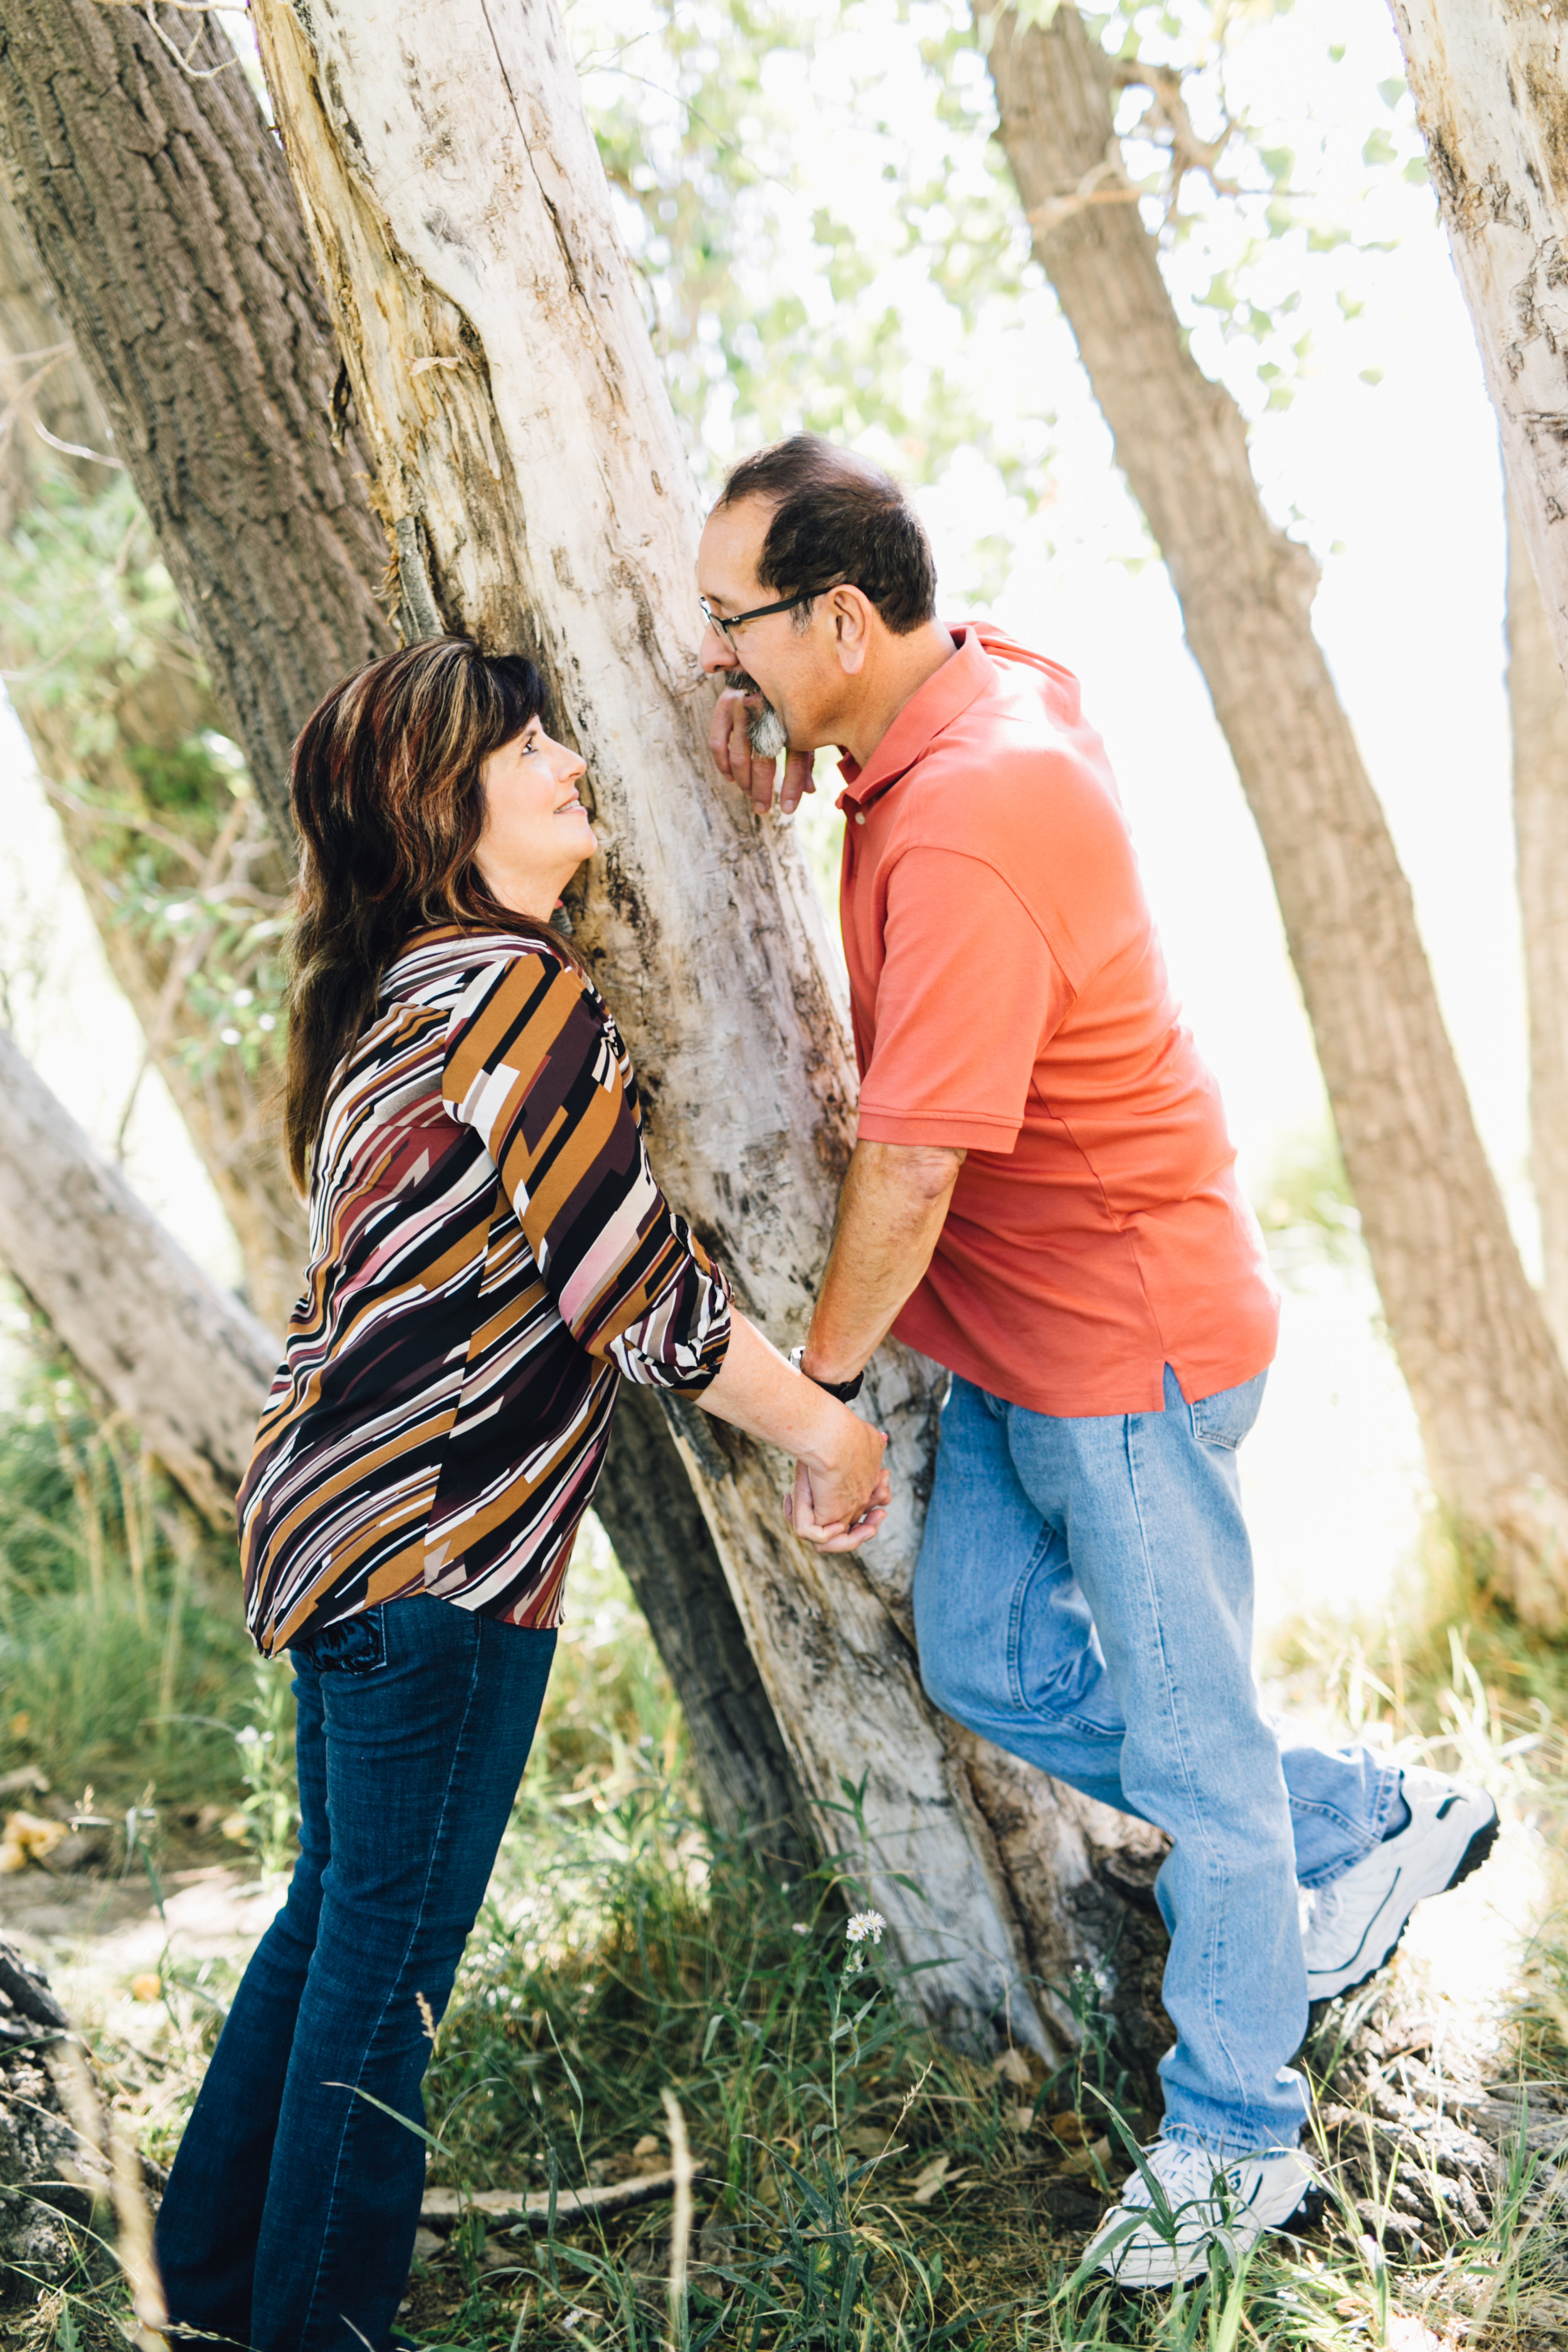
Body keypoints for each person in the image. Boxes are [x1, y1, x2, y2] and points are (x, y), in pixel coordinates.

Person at [697, 435, 1499, 2287]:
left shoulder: (976, 808)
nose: (708, 660)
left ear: (839, 614)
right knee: (983, 1655)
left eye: (728, 626)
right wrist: (788, 749)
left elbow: (909, 1161)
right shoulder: (970, 688)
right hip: (1019, 1351)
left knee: (1196, 1777)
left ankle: (1238, 2143)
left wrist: (819, 1395)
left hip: (1120, 1361)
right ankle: (1368, 1819)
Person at [152, 637, 890, 2352]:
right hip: (433, 1548)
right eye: (527, 742)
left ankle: (200, 2297)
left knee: (337, 1923)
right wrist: (831, 1435)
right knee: (382, 1974)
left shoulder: (408, 995)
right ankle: (313, 2335)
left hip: (347, 1533)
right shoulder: (503, 992)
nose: (567, 760)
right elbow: (641, 1302)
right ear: (440, 800)